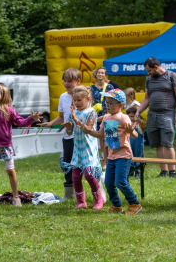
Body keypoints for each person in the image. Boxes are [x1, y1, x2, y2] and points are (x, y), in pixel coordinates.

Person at [77, 89, 142, 215]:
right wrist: (87, 131)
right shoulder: (106, 118)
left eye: (111, 103)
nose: (107, 106)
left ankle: (134, 203)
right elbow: (100, 134)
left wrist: (130, 131)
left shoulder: (124, 118)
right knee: (108, 182)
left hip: (124, 156)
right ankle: (116, 204)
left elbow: (135, 135)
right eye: (107, 103)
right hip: (112, 156)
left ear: (120, 105)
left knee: (120, 182)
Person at [135, 57, 176, 178]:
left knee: (167, 143)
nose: (148, 73)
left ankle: (172, 171)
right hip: (152, 115)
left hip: (167, 114)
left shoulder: (172, 76)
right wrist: (139, 111)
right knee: (158, 144)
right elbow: (146, 98)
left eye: (149, 70)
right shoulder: (149, 79)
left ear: (156, 67)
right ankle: (163, 171)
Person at [38, 68, 80, 200]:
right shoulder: (63, 97)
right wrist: (50, 123)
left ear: (78, 81)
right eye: (65, 81)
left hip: (80, 136)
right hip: (67, 136)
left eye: (70, 81)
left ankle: (82, 192)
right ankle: (69, 193)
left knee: (80, 164)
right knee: (67, 163)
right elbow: (62, 116)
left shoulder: (83, 95)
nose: (67, 84)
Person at [61, 86, 105, 209]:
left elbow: (88, 129)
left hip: (89, 150)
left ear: (88, 99)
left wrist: (76, 120)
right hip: (78, 151)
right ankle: (81, 202)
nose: (76, 103)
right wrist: (68, 127)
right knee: (75, 177)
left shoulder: (91, 112)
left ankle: (99, 199)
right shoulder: (75, 113)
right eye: (74, 100)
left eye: (79, 100)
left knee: (89, 175)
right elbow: (70, 133)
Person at [91, 67, 114, 170]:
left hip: (107, 115)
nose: (100, 74)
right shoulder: (91, 88)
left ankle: (108, 161)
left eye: (102, 73)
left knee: (108, 138)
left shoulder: (109, 86)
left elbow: (113, 101)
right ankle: (103, 160)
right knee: (100, 138)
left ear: (105, 75)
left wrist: (106, 115)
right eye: (98, 73)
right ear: (95, 75)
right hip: (95, 116)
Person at [126, 107, 146, 178]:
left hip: (138, 146)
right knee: (130, 157)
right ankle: (130, 172)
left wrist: (138, 120)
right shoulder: (127, 124)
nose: (130, 118)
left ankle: (138, 173)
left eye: (132, 116)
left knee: (138, 157)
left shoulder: (139, 124)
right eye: (128, 117)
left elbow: (146, 125)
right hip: (129, 145)